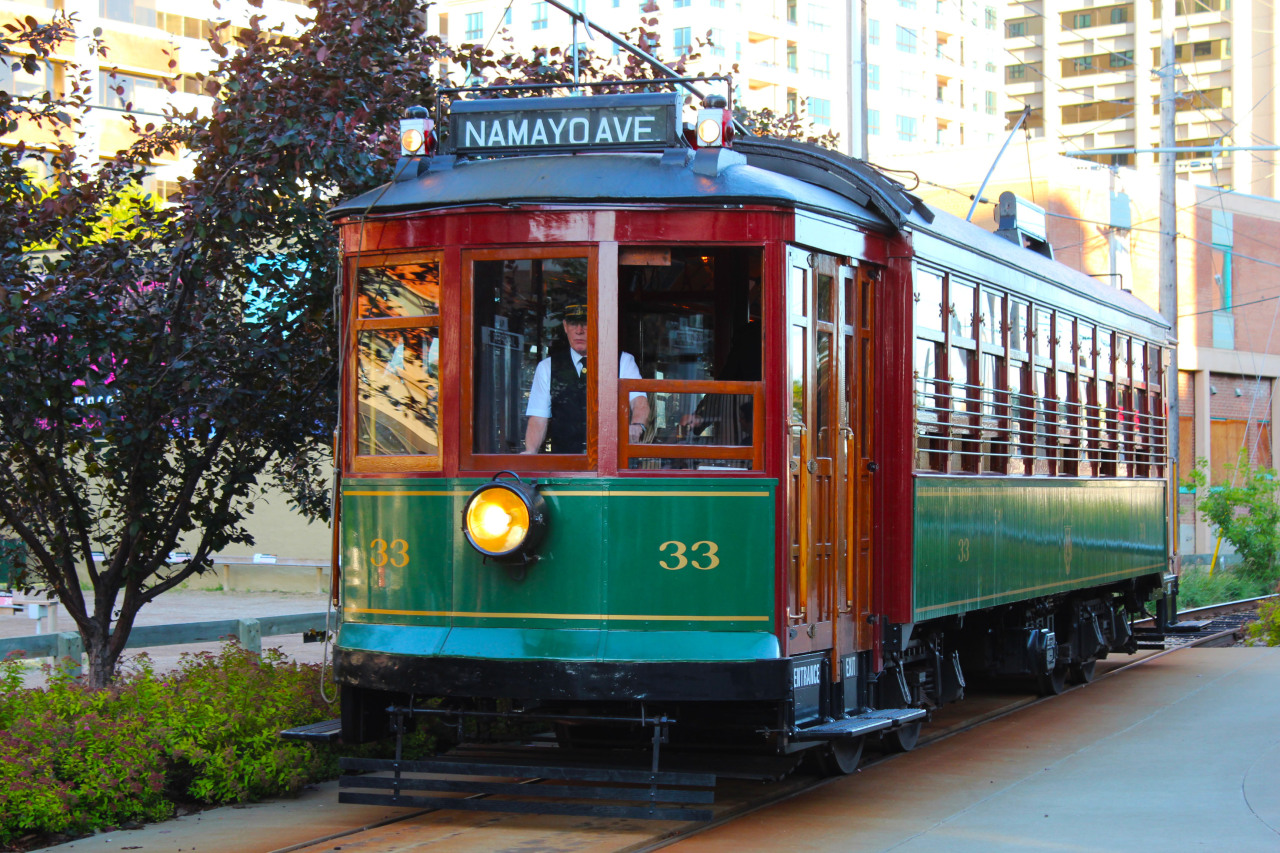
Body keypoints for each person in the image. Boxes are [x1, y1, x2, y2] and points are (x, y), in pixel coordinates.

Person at [522, 304, 650, 454]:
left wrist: (636, 425)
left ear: (598, 326)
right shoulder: (547, 367)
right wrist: (530, 453)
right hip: (564, 463)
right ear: (565, 326)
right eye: (573, 324)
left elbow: (639, 400)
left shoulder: (622, 361)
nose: (579, 331)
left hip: (611, 461)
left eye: (585, 324)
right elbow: (538, 418)